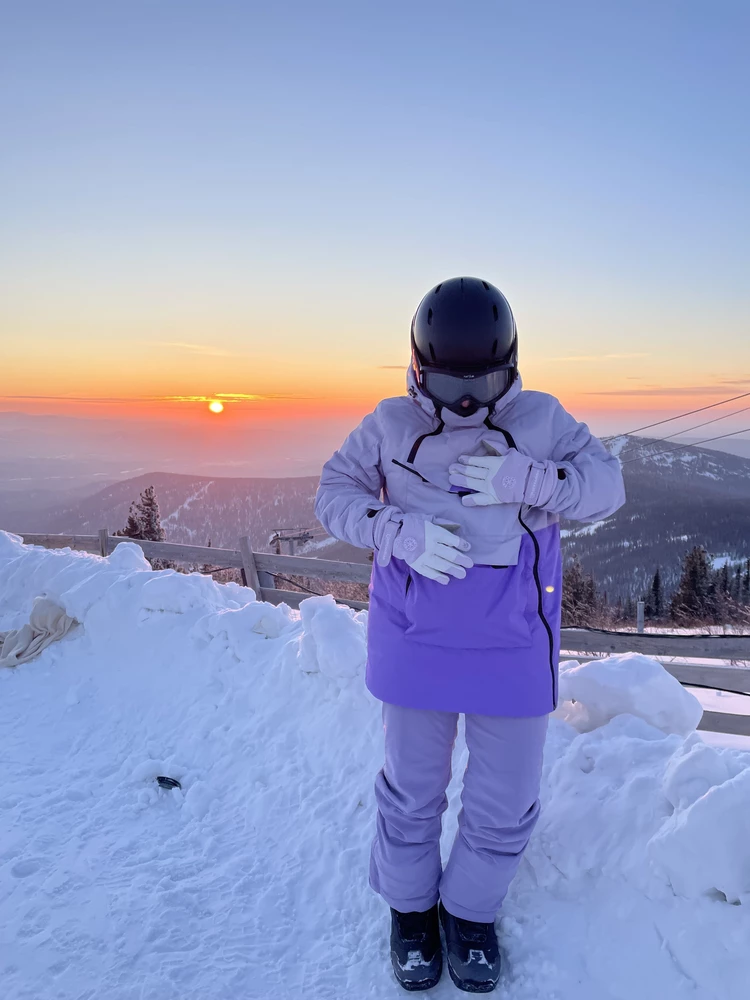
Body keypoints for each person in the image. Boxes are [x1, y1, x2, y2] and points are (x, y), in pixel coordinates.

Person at [315, 277, 626, 993]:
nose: (465, 402)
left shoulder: (542, 420)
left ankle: (470, 912)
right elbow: (335, 494)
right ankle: (411, 910)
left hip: (514, 641)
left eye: (483, 382)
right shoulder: (390, 424)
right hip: (414, 634)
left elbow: (606, 487)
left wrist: (533, 480)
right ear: (418, 367)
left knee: (504, 797)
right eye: (449, 383)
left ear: (512, 367)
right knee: (412, 789)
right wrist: (398, 530)